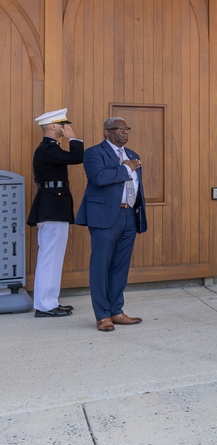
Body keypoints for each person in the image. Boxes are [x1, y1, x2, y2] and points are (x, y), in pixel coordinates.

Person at [76, 117, 147, 331]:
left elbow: (136, 185)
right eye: (120, 129)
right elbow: (98, 177)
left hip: (129, 217)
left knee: (120, 267)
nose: (125, 132)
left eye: (127, 129)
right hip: (105, 217)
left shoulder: (133, 155)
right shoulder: (93, 153)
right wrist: (126, 169)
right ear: (107, 132)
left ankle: (116, 311)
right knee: (100, 267)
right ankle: (102, 315)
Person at [26, 108, 83, 318]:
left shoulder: (50, 149)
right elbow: (78, 157)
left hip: (54, 207)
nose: (65, 128)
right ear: (52, 126)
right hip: (51, 208)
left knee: (53, 256)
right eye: (62, 125)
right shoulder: (47, 149)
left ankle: (50, 302)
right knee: (50, 256)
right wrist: (74, 138)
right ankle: (44, 305)